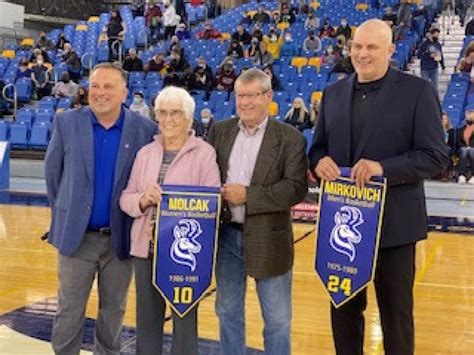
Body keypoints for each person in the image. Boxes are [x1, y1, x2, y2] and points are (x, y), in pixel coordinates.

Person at [309, 19, 449, 355]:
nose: (362, 53)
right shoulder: (333, 92)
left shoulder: (417, 91)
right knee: (343, 314)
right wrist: (319, 162)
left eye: (372, 47)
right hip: (342, 226)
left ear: (390, 50)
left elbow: (436, 157)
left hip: (395, 227)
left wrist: (383, 168)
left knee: (396, 318)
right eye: (357, 46)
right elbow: (318, 147)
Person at [45, 63, 157, 355]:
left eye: (108, 87)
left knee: (113, 312)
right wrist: (66, 215)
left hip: (120, 239)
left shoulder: (145, 129)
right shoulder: (66, 123)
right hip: (76, 238)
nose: (100, 93)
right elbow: (53, 176)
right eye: (95, 86)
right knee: (69, 312)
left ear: (124, 93)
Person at [207, 68, 307, 355]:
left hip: (270, 239)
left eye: (253, 95)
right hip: (226, 237)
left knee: (277, 320)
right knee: (227, 312)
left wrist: (248, 196)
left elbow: (295, 188)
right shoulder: (220, 131)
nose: (246, 102)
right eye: (240, 96)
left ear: (268, 97)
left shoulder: (290, 138)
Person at [119, 86, 220, 354]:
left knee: (185, 323)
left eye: (175, 113)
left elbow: (213, 203)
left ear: (188, 116)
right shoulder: (145, 153)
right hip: (146, 250)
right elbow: (126, 199)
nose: (167, 119)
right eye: (162, 113)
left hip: (183, 255)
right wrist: (143, 200)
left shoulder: (205, 153)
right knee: (147, 322)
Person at [457, 110, 474, 183]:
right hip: (463, 148)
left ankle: (473, 176)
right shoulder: (461, 129)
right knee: (464, 151)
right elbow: (458, 141)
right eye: (468, 115)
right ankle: (462, 175)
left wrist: (471, 146)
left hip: (473, 148)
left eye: (471, 115)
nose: (469, 117)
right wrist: (464, 146)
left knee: (472, 151)